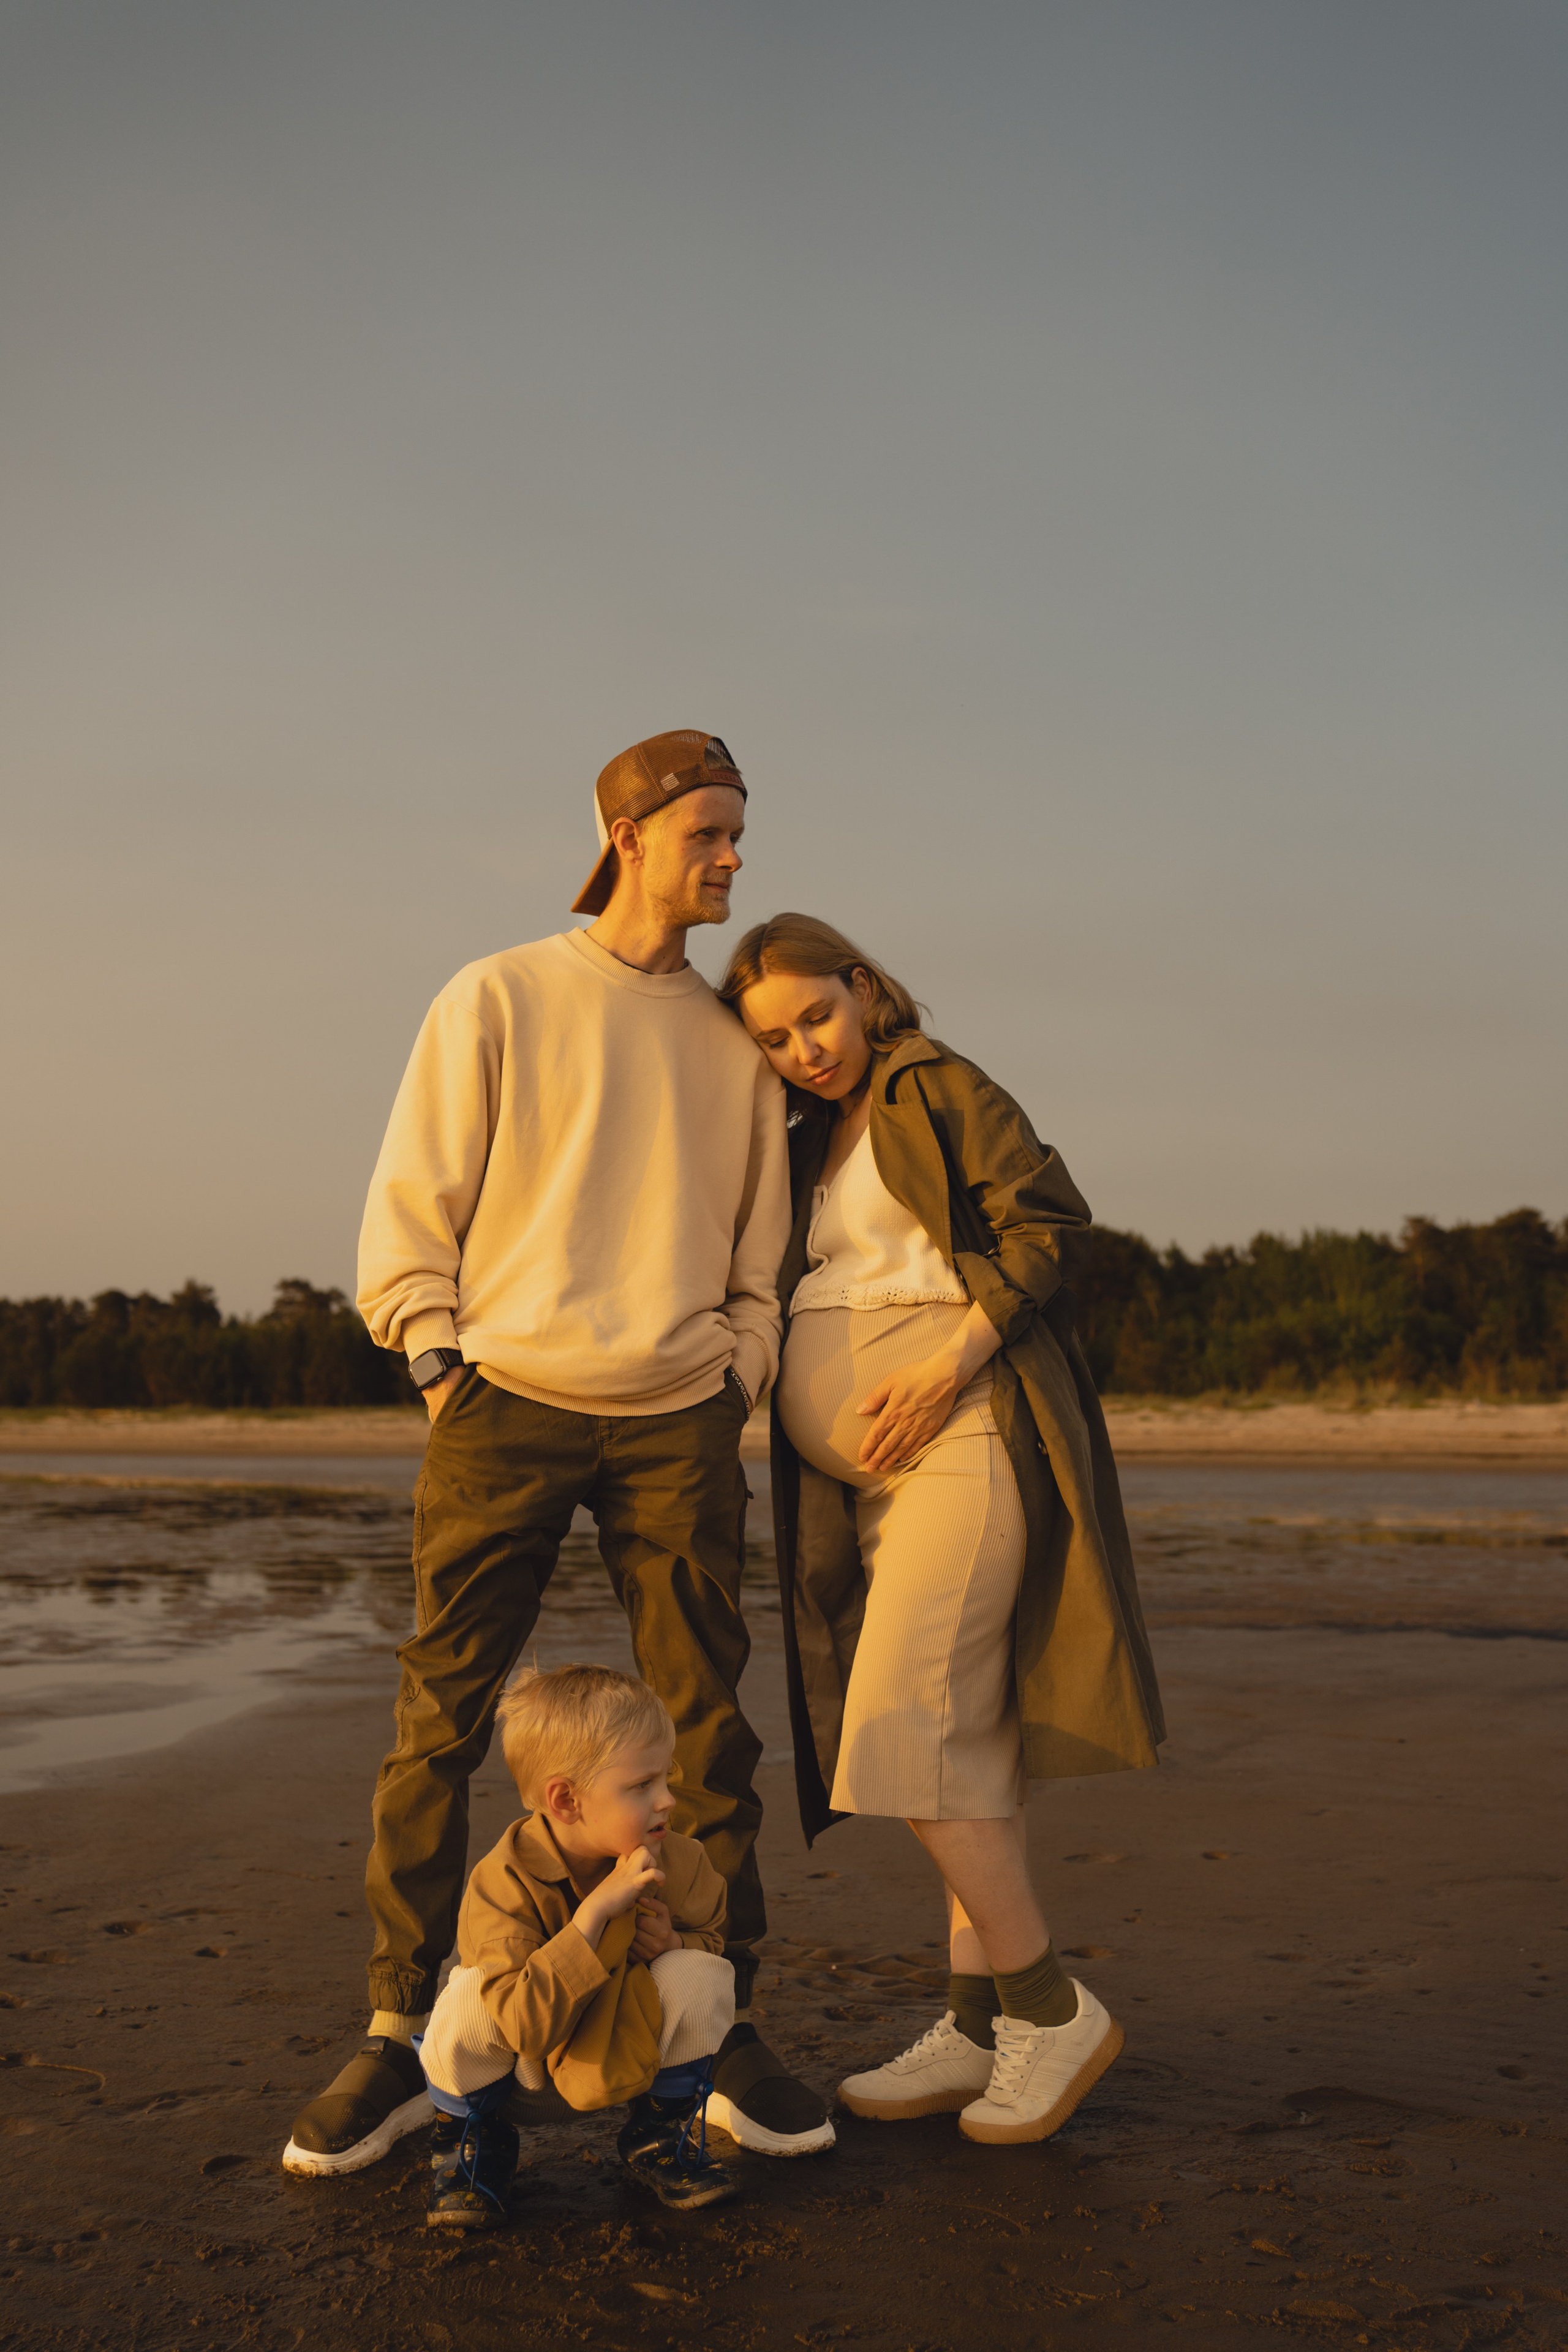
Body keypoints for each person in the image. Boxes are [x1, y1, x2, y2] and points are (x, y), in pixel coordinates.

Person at [281, 733, 834, 2178]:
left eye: (737, 832)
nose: (729, 857)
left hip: (676, 1418)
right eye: (707, 831)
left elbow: (758, 1250)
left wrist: (739, 1374)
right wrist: (436, 1363)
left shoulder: (731, 1041)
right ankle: (404, 2030)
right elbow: (412, 1201)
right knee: (440, 1719)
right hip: (505, 1399)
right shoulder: (499, 993)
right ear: (629, 834)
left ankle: (721, 2027)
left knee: (706, 1720)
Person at [719, 913, 1164, 2147]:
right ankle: (976, 2031)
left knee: (899, 1723)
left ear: (861, 989)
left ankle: (1048, 2008)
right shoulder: (808, 1132)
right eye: (773, 1038)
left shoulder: (933, 1082)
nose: (804, 1048)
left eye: (816, 1015)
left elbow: (1045, 1225)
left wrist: (950, 1358)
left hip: (966, 1430)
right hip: (864, 1482)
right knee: (960, 1743)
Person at [418, 1665, 742, 2226]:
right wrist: (593, 1917)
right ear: (566, 1800)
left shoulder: (681, 1860)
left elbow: (712, 1934)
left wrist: (672, 1942)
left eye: (664, 1778)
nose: (666, 1800)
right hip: (522, 2074)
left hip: (631, 2053)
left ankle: (658, 2137)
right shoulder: (504, 1881)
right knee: (466, 1997)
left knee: (702, 1970)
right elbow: (523, 2025)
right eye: (642, 1786)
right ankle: (472, 2151)